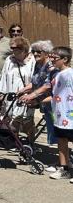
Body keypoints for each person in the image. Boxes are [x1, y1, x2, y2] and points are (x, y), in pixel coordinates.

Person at [18, 41, 57, 147]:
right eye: (33, 51)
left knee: (58, 129)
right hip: (45, 103)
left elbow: (48, 85)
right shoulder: (38, 64)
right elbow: (35, 82)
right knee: (52, 127)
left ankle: (64, 159)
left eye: (39, 52)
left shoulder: (51, 66)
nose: (35, 54)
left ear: (46, 53)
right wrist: (23, 90)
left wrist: (32, 96)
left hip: (54, 102)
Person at [47, 46, 73, 181]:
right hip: (59, 114)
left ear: (65, 59)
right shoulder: (56, 74)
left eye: (54, 58)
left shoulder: (70, 74)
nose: (51, 60)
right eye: (50, 58)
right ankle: (65, 168)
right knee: (61, 141)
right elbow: (55, 94)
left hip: (70, 116)